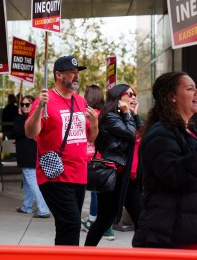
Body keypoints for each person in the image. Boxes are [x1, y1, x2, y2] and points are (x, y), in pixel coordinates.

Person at [25, 56, 99, 246]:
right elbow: (31, 133)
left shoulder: (81, 101)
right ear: (58, 75)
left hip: (79, 173)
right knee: (72, 224)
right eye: (71, 73)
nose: (76, 76)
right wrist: (39, 108)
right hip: (55, 175)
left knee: (66, 226)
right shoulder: (46, 100)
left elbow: (90, 138)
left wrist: (95, 124)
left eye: (77, 73)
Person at [133, 72, 197, 249]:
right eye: (190, 89)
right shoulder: (160, 133)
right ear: (172, 97)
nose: (196, 93)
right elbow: (175, 176)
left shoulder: (189, 131)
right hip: (169, 236)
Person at [85, 84, 142, 246]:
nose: (133, 97)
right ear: (118, 97)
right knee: (104, 220)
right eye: (129, 94)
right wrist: (127, 114)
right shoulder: (110, 117)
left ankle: (141, 253)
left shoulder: (128, 116)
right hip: (115, 176)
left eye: (135, 94)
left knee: (141, 218)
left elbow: (143, 132)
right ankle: (86, 253)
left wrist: (134, 114)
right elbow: (130, 134)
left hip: (130, 178)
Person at [80, 85, 115, 240]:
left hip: (87, 158)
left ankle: (95, 221)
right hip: (105, 158)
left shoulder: (83, 115)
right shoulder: (106, 116)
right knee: (103, 192)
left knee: (93, 192)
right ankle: (103, 224)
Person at [13, 95, 51, 218]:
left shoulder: (31, 119)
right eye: (22, 105)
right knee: (27, 183)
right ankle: (27, 206)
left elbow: (19, 132)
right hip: (27, 156)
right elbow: (16, 132)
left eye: (27, 104)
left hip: (30, 156)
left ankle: (43, 209)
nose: (24, 107)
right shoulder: (24, 118)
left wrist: (19, 117)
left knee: (33, 183)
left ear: (32, 105)